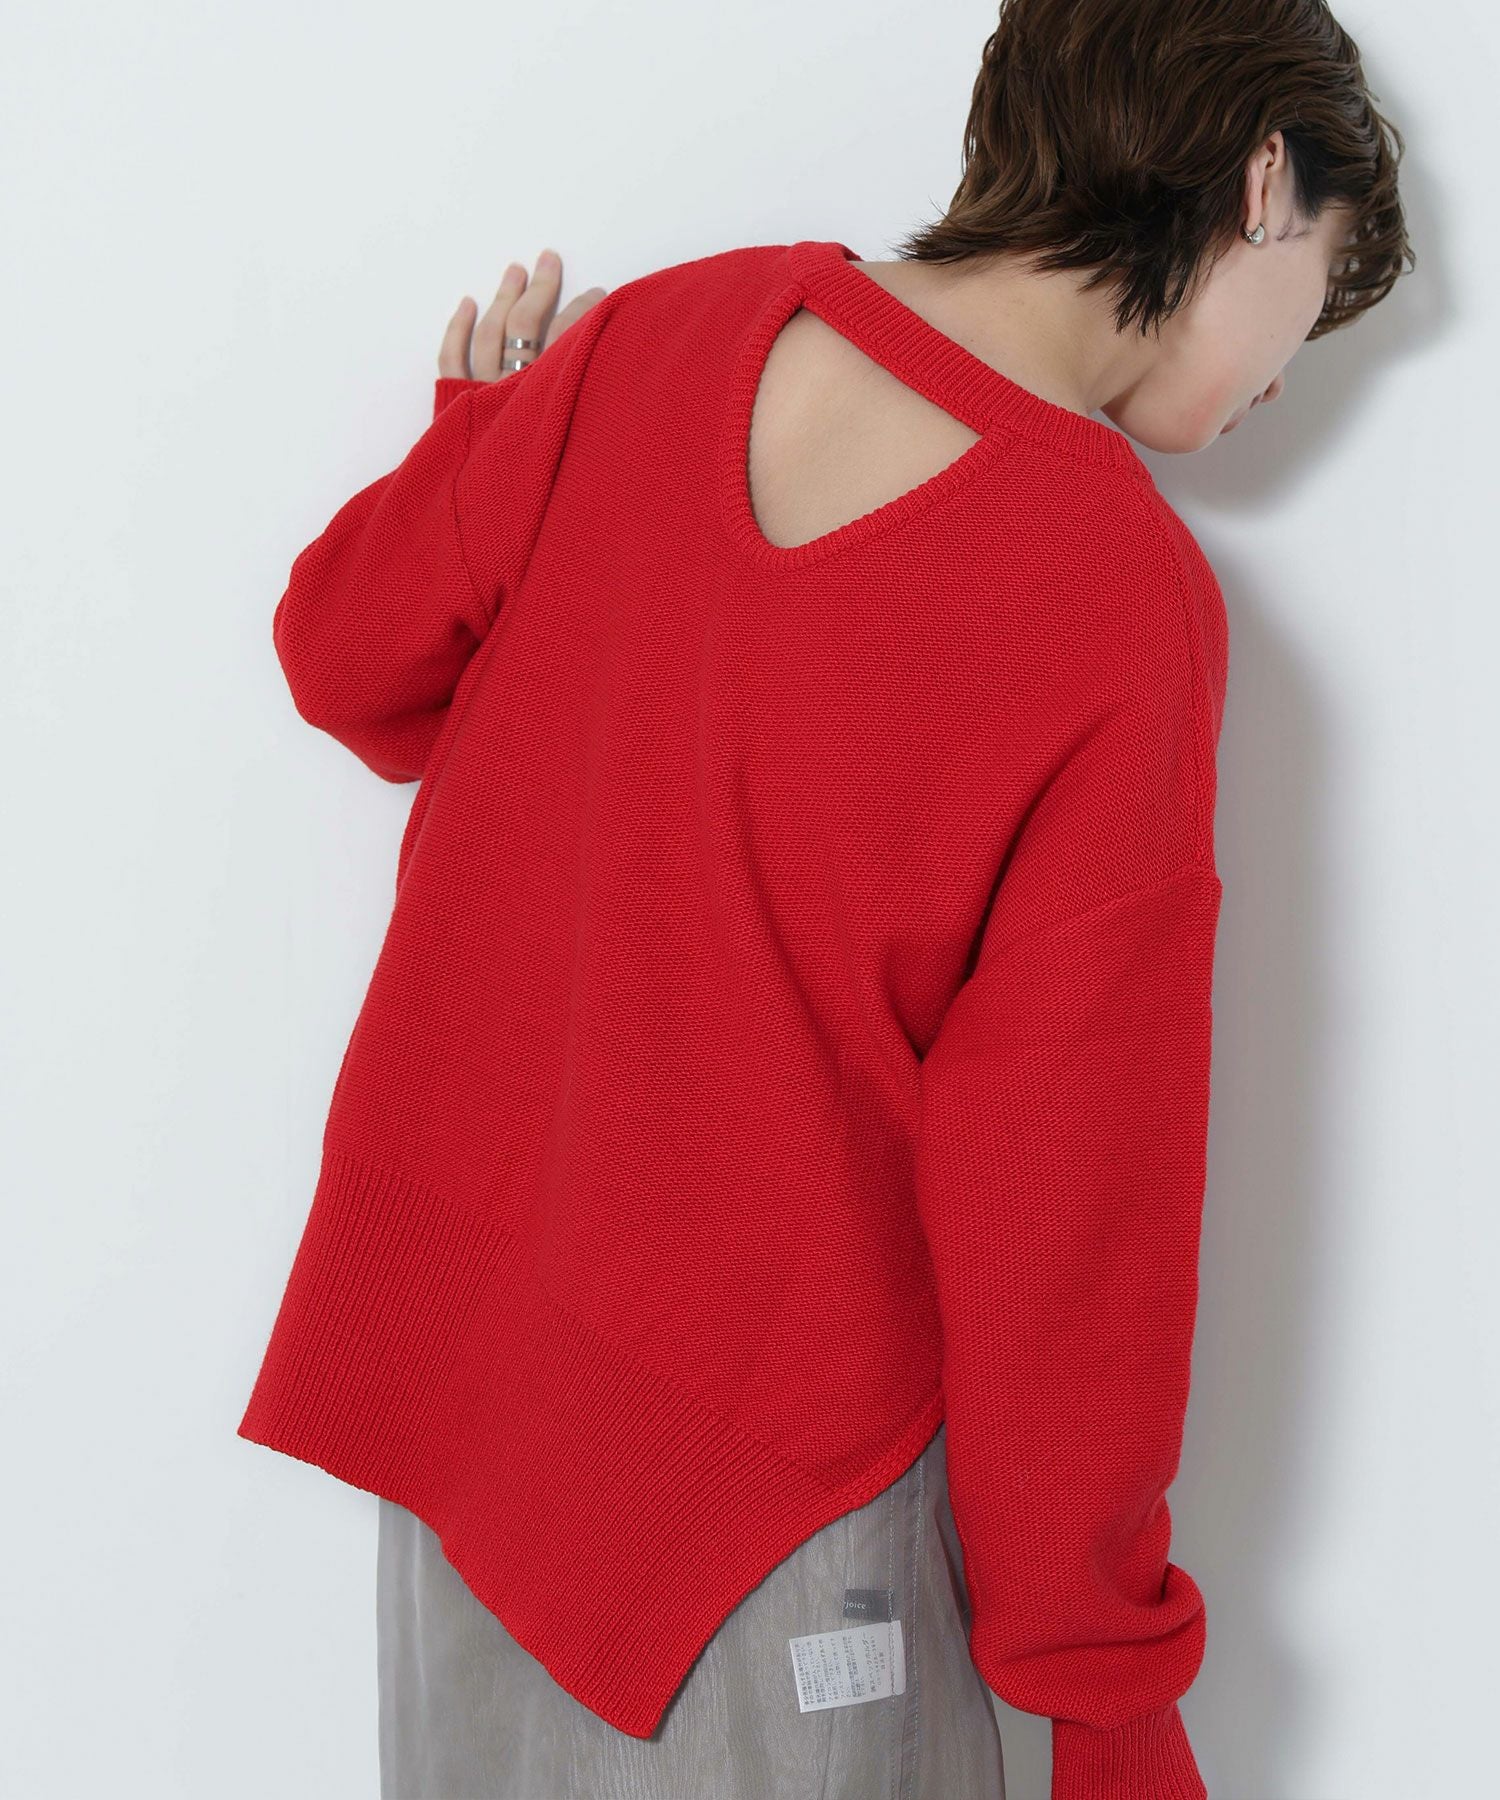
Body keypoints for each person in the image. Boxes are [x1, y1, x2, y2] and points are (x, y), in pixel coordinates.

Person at [237, 2, 1411, 1796]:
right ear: (1262, 184)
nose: (1284, 374)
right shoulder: (1117, 594)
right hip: (779, 1517)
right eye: (1317, 293)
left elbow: (353, 658)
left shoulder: (661, 333)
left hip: (478, 1448)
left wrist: (492, 438)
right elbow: (1064, 1212)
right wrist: (1101, 1697)